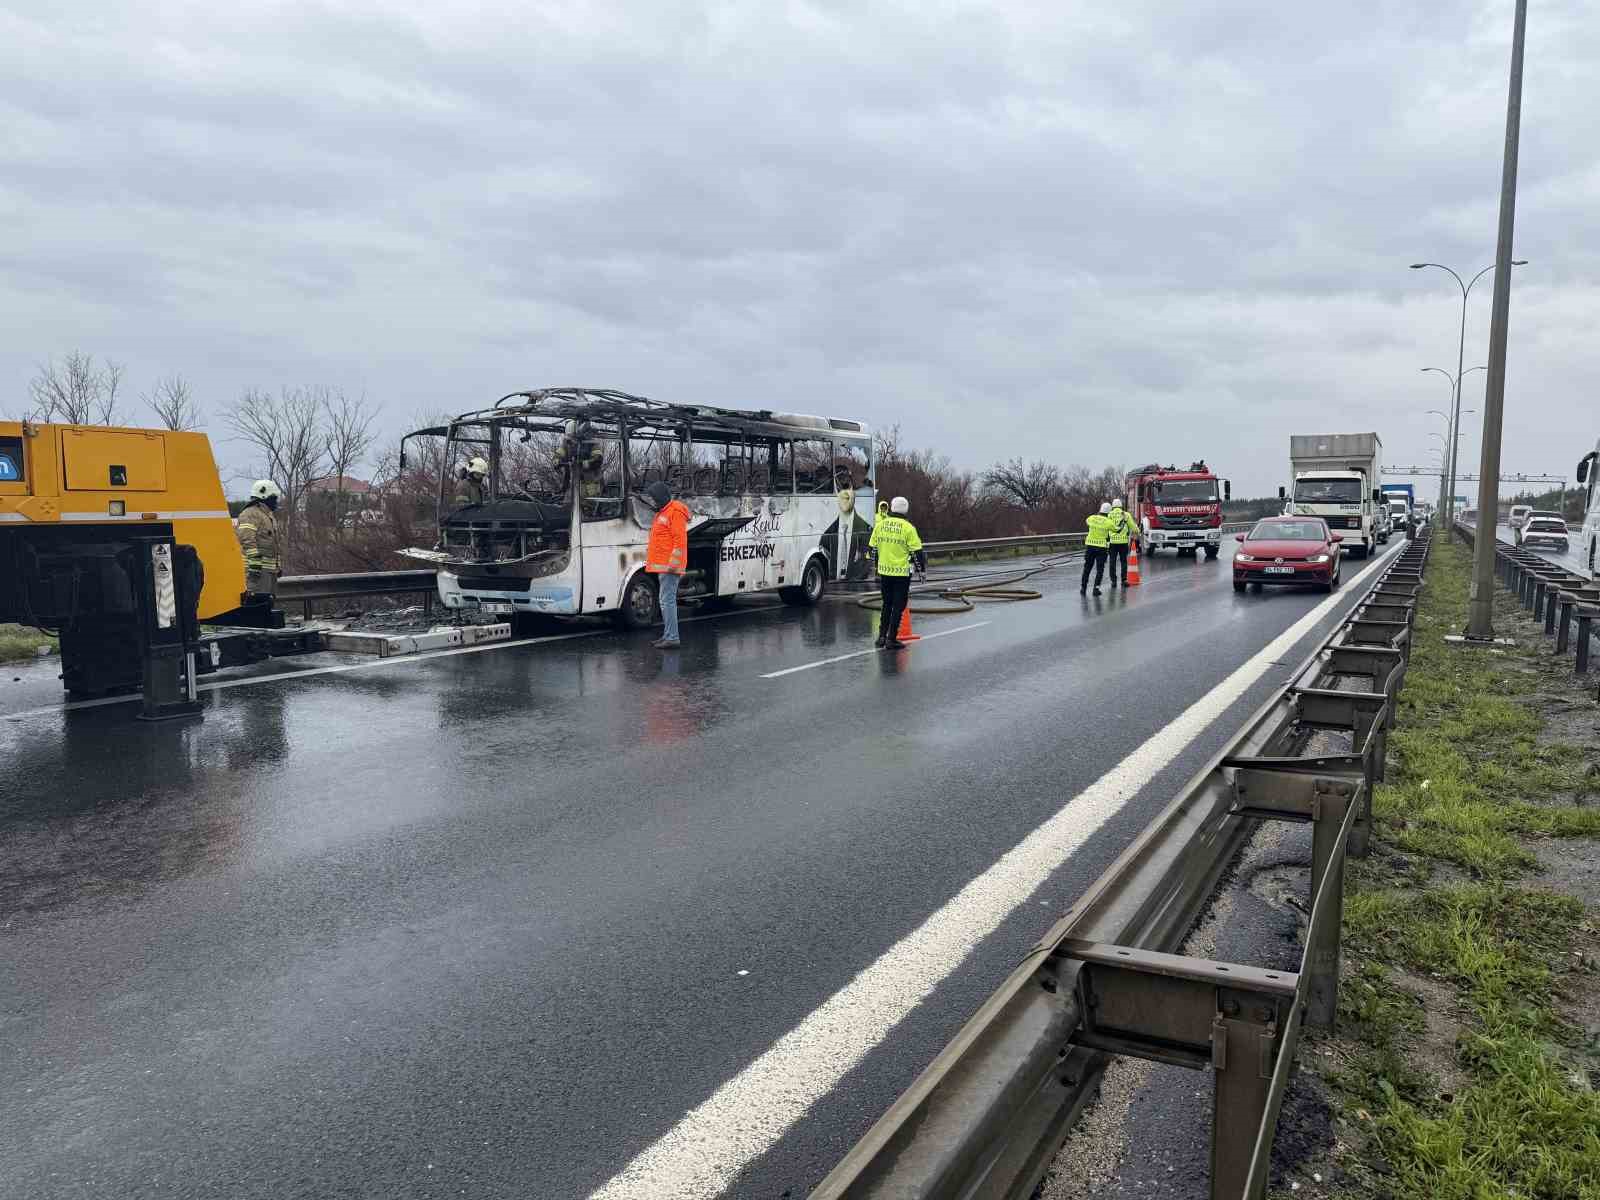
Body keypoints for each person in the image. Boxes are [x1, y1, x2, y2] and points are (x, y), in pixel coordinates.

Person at [868, 496, 925, 649]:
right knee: (898, 605)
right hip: (901, 573)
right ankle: (891, 639)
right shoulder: (908, 528)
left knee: (887, 603)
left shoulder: (880, 525)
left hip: (884, 572)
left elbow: (872, 548)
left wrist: (875, 564)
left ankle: (881, 637)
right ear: (906, 509)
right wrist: (922, 572)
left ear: (892, 508)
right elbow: (917, 553)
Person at [644, 480, 690, 648]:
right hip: (664, 565)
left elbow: (680, 540)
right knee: (666, 601)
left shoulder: (675, 512)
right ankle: (668, 635)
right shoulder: (664, 512)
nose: (653, 501)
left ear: (661, 497)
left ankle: (672, 637)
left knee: (667, 601)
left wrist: (673, 563)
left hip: (669, 566)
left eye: (654, 498)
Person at [235, 479, 282, 598]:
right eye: (274, 498)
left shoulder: (268, 516)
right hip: (257, 572)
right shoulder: (250, 514)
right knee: (259, 606)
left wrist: (277, 565)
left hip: (269, 572)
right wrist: (255, 565)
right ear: (264, 497)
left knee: (268, 606)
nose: (276, 502)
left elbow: (273, 543)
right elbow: (246, 539)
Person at [1106, 497, 1138, 587]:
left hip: (1112, 543)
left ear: (1112, 506)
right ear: (1121, 506)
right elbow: (1133, 527)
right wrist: (1138, 531)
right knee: (1123, 561)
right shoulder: (1125, 514)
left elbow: (1105, 527)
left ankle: (1113, 581)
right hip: (1123, 543)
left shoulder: (1109, 515)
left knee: (1112, 562)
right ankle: (1124, 580)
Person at [1083, 501, 1112, 595]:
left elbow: (1087, 522)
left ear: (1100, 510)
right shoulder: (1108, 522)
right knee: (1100, 569)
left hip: (1090, 547)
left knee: (1087, 567)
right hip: (1101, 548)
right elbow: (1116, 529)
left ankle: (1083, 588)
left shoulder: (1091, 518)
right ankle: (1096, 589)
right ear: (1108, 512)